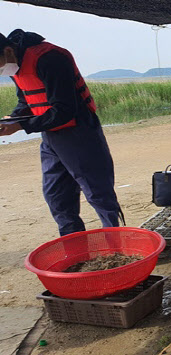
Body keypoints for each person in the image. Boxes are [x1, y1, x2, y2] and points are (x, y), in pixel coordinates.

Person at [0, 30, 123, 236]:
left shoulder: (50, 58)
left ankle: (115, 240)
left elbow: (65, 109)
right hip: (50, 134)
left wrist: (22, 126)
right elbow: (27, 100)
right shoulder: (15, 65)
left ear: (9, 50)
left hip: (79, 131)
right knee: (56, 195)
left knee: (97, 192)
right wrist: (13, 119)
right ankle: (74, 244)